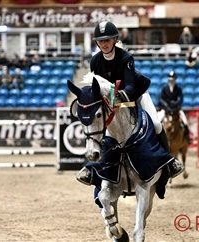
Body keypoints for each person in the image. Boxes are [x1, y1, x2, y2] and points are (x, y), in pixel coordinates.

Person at [77, 21, 183, 187]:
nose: (104, 44)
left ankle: (169, 162)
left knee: (156, 124)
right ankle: (94, 170)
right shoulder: (95, 61)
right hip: (111, 100)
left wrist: (118, 94)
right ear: (97, 43)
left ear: (115, 39)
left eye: (107, 40)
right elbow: (96, 88)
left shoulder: (126, 57)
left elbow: (131, 86)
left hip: (136, 94)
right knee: (101, 128)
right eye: (101, 41)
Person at [158, 71, 191, 144]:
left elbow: (181, 98)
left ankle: (187, 137)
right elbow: (160, 99)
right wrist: (166, 106)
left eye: (172, 80)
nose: (171, 81)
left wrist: (178, 104)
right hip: (166, 109)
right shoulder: (164, 88)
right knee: (158, 121)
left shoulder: (178, 88)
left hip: (176, 109)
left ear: (175, 80)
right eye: (170, 80)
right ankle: (156, 138)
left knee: (185, 121)